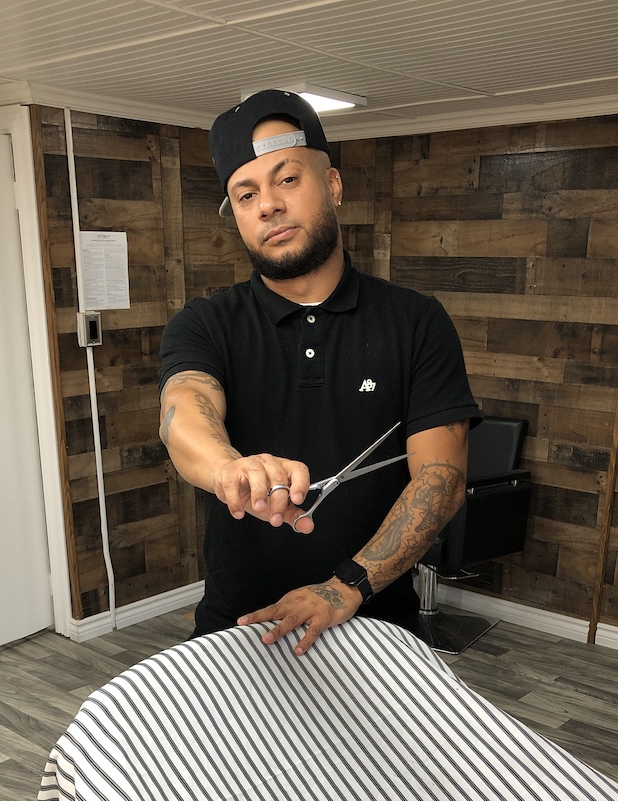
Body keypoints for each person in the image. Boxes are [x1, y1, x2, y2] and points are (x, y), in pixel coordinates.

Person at [159, 89, 482, 655]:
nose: (268, 206)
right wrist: (231, 468)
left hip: (378, 628)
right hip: (239, 630)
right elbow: (183, 410)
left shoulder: (415, 322)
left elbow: (441, 479)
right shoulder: (205, 323)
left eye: (287, 180)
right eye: (245, 194)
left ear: (332, 184)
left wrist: (345, 587)